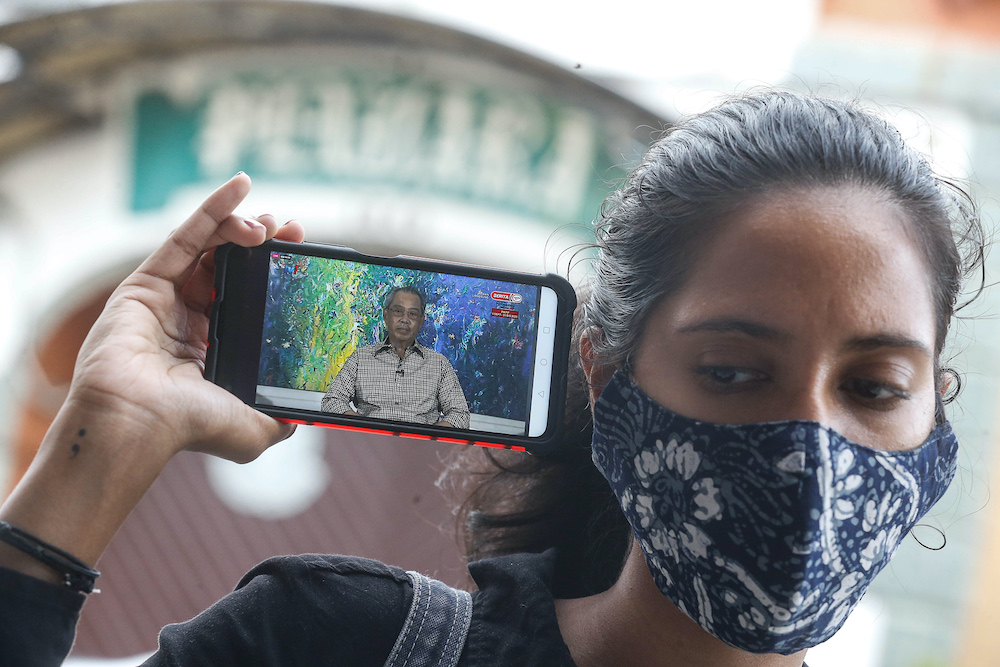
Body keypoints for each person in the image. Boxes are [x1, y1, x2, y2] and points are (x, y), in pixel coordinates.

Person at [0, 91, 985, 666]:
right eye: (733, 370)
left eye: (873, 387)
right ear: (608, 377)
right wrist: (105, 437)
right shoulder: (328, 643)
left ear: (934, 419)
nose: (809, 443)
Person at [320, 285, 471, 429]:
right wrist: (363, 428)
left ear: (421, 321)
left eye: (412, 314)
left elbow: (460, 415)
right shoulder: (361, 357)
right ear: (386, 315)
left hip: (420, 444)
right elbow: (332, 401)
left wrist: (427, 438)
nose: (405, 319)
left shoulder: (439, 364)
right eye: (398, 311)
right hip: (368, 442)